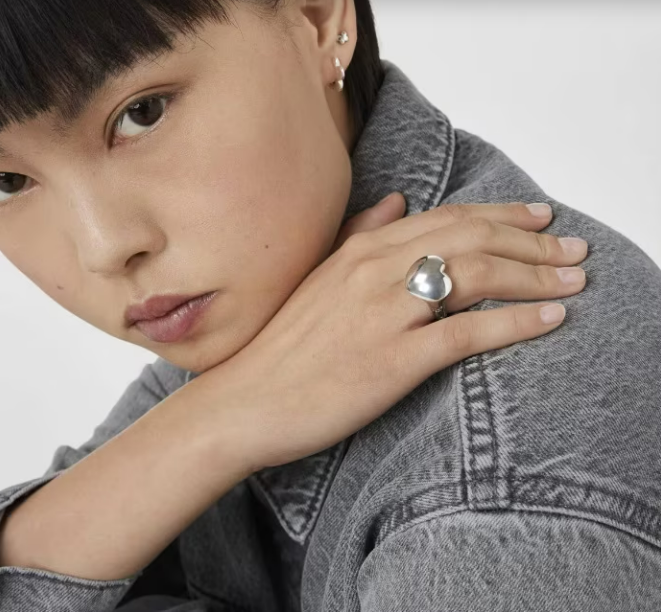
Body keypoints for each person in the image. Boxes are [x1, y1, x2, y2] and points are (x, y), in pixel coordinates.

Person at [0, 1, 659, 611]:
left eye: (142, 113)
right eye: (7, 180)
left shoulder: (489, 501)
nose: (103, 247)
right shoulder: (269, 311)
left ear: (315, 19)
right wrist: (216, 422)